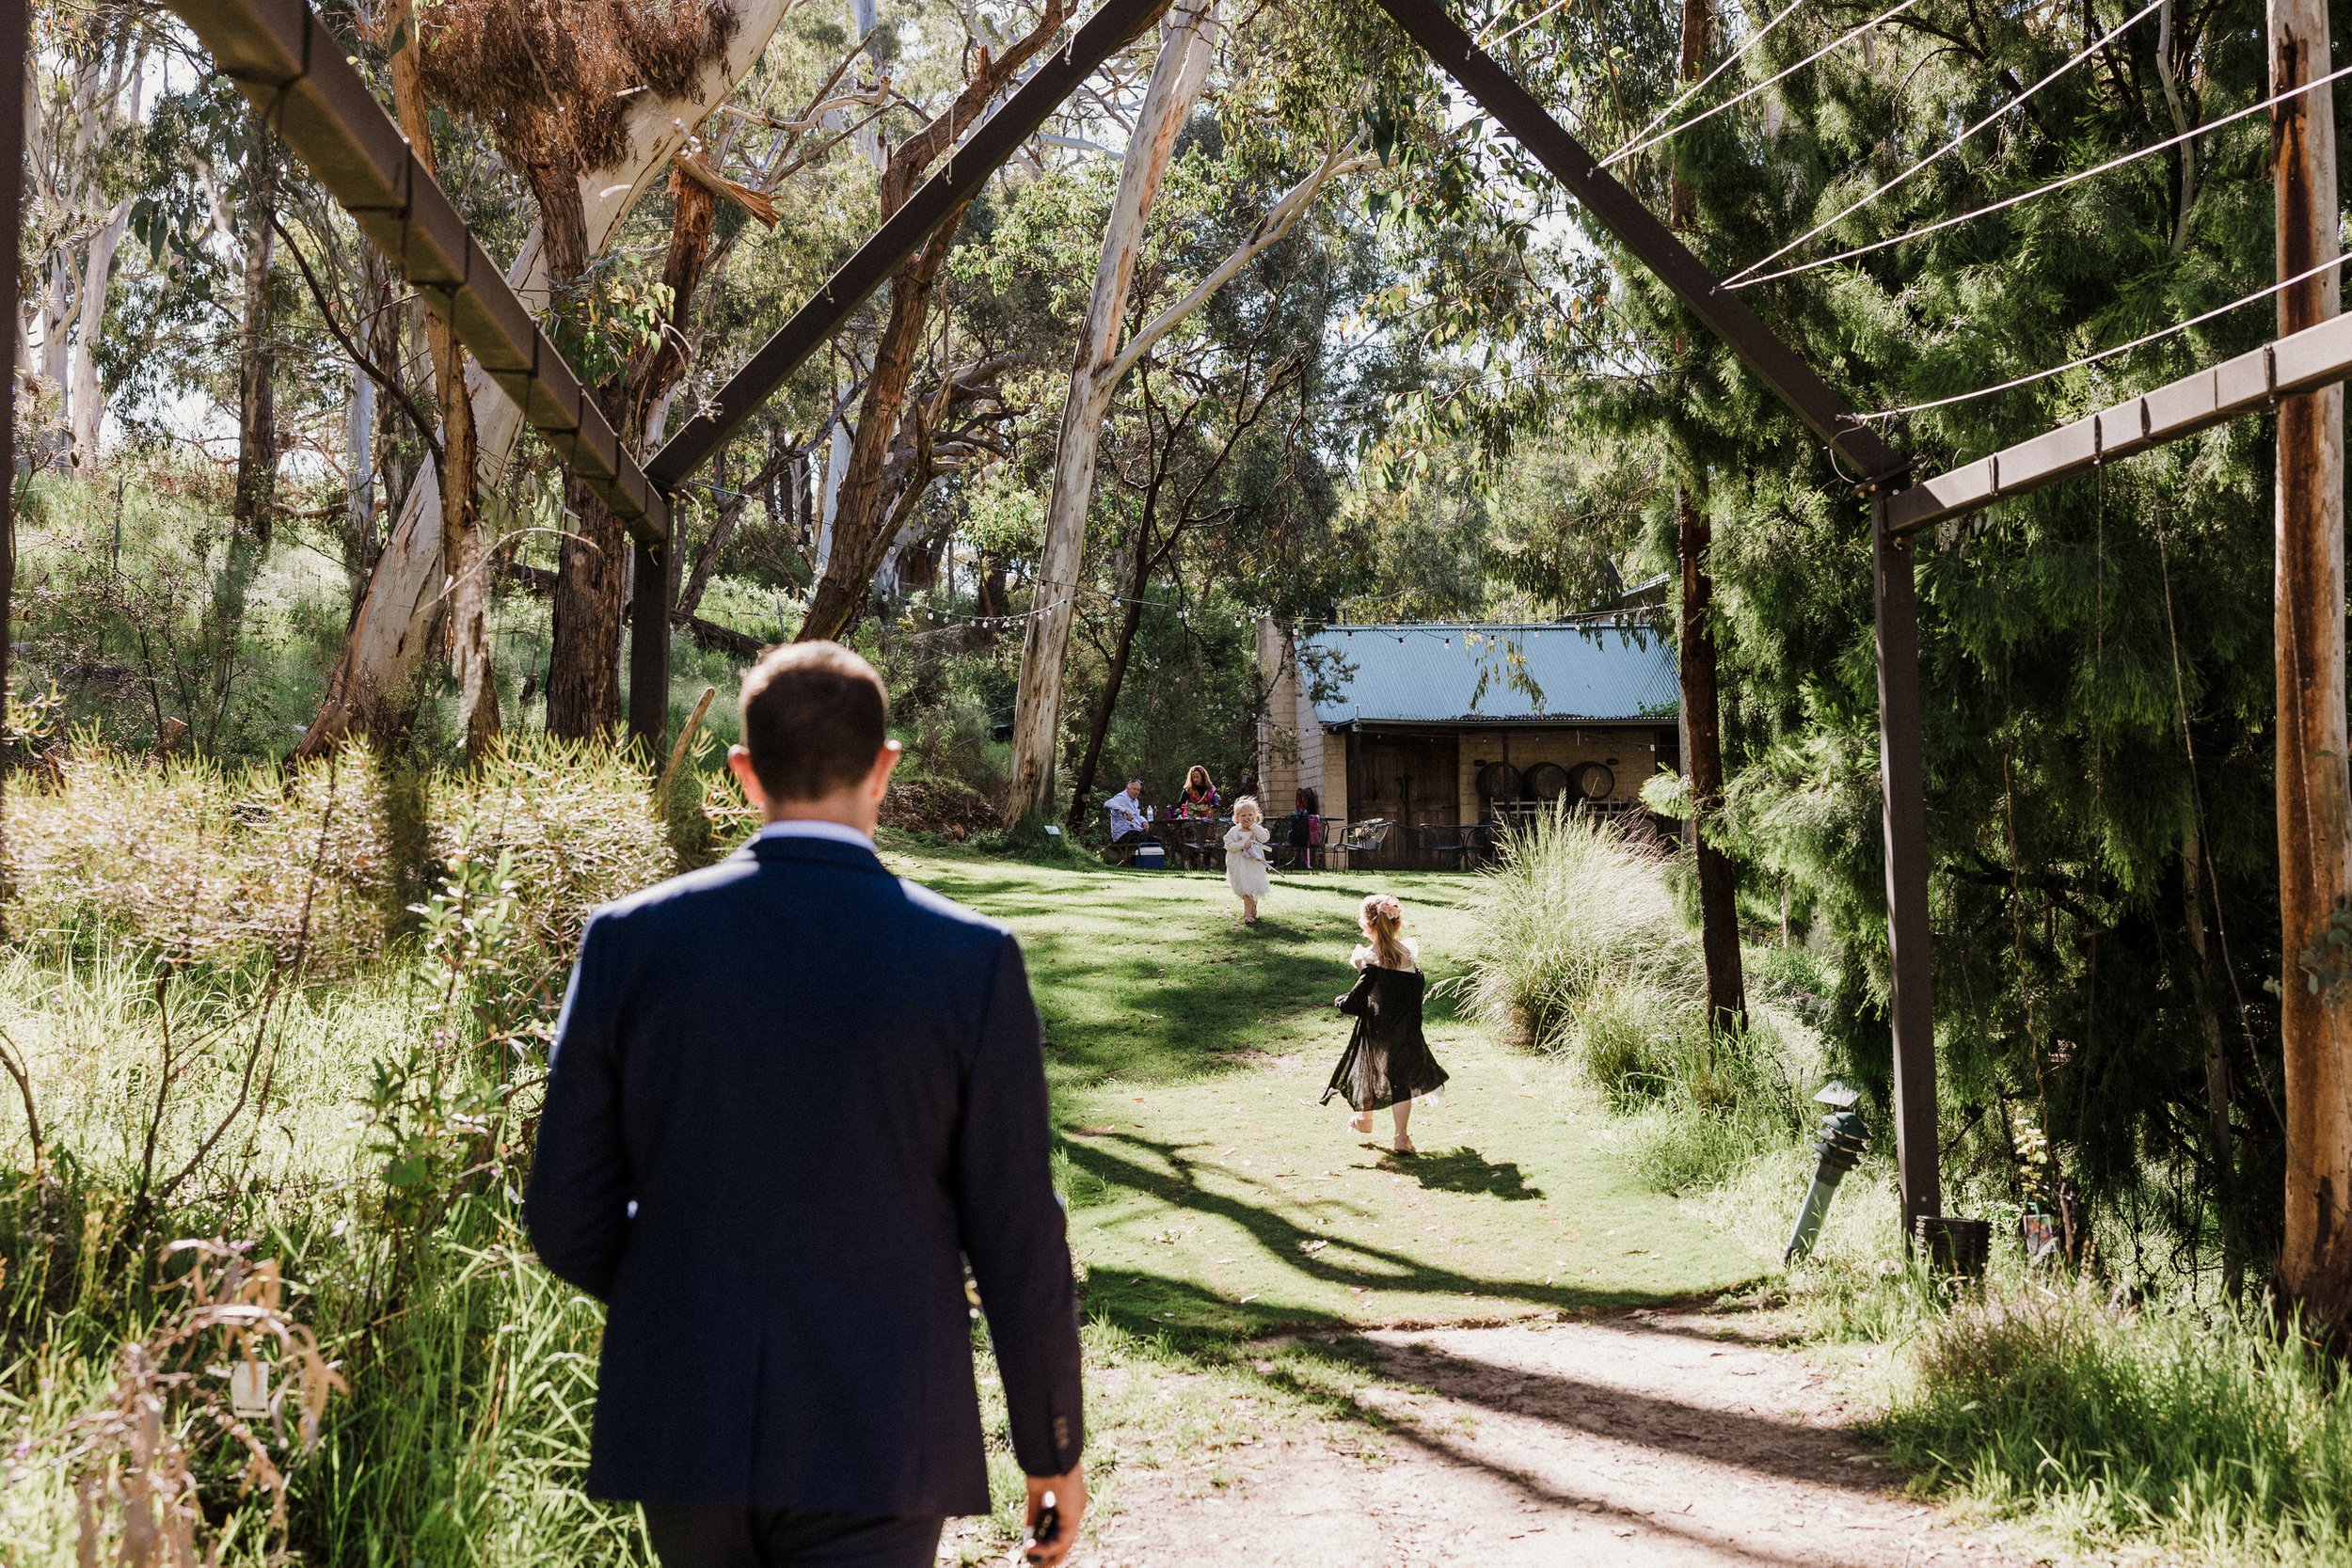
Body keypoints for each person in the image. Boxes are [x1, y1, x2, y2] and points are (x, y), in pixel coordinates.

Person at [527, 641, 1087, 1568]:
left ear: (743, 773)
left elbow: (563, 1213)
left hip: (687, 1412)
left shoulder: (629, 941)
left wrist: (690, 1296)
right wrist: (1051, 1445)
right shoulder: (970, 961)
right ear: (886, 768)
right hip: (883, 1416)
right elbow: (1018, 1228)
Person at [1320, 892, 1449, 1156]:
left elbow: (1354, 1003)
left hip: (1380, 1027)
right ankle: (1401, 1137)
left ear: (1366, 925)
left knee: (1368, 1067)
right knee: (1399, 1080)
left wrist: (1340, 998)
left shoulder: (1370, 960)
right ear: (1396, 923)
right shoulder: (1408, 955)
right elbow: (1406, 991)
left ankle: (1365, 1119)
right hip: (1408, 1028)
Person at [1223, 797, 1271, 924]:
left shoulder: (1257, 830)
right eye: (1243, 815)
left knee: (1249, 888)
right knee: (1241, 890)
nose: (1247, 818)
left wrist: (1254, 827)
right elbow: (1229, 846)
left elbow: (1264, 838)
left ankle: (1248, 914)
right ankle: (1251, 904)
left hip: (1253, 865)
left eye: (1250, 815)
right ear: (1237, 817)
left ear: (1256, 816)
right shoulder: (1234, 831)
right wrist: (1243, 844)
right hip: (1239, 865)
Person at [1104, 777, 1151, 844]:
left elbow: (1137, 815)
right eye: (1134, 789)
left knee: (1154, 840)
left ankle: (1143, 854)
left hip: (1134, 831)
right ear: (1127, 788)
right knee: (1152, 840)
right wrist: (1125, 811)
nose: (1136, 792)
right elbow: (1107, 803)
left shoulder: (1135, 801)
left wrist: (1144, 821)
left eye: (1138, 790)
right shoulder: (1121, 797)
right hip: (1122, 834)